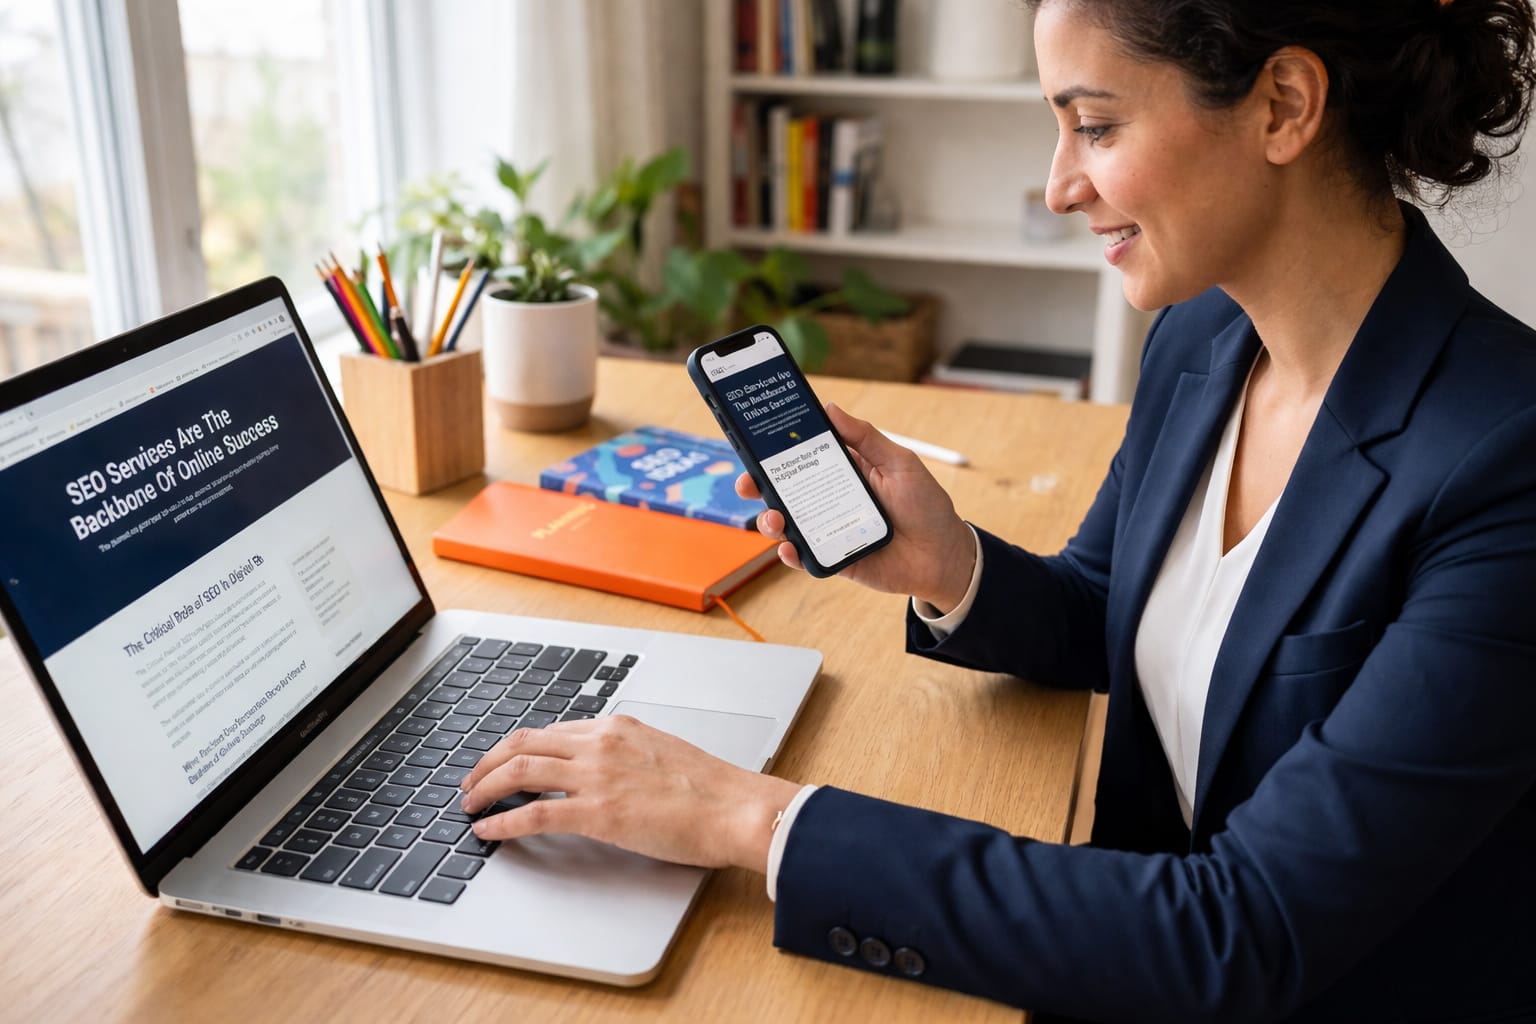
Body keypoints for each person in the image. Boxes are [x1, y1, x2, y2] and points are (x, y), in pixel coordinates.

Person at [460, 0, 1536, 1019]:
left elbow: (1244, 932)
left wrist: (749, 815)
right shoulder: (1205, 339)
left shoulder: (1505, 463)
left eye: (1097, 126)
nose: (1061, 184)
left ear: (1283, 106)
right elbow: (1115, 608)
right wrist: (951, 564)